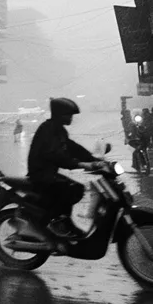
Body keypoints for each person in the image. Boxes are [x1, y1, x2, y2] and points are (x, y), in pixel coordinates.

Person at [27, 97, 105, 239]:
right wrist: (79, 164)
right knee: (69, 189)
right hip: (40, 174)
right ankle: (53, 223)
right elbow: (55, 155)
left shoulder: (59, 130)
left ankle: (63, 221)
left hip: (49, 173)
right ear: (59, 114)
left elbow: (73, 148)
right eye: (68, 115)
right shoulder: (47, 129)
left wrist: (93, 159)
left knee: (77, 188)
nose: (71, 118)